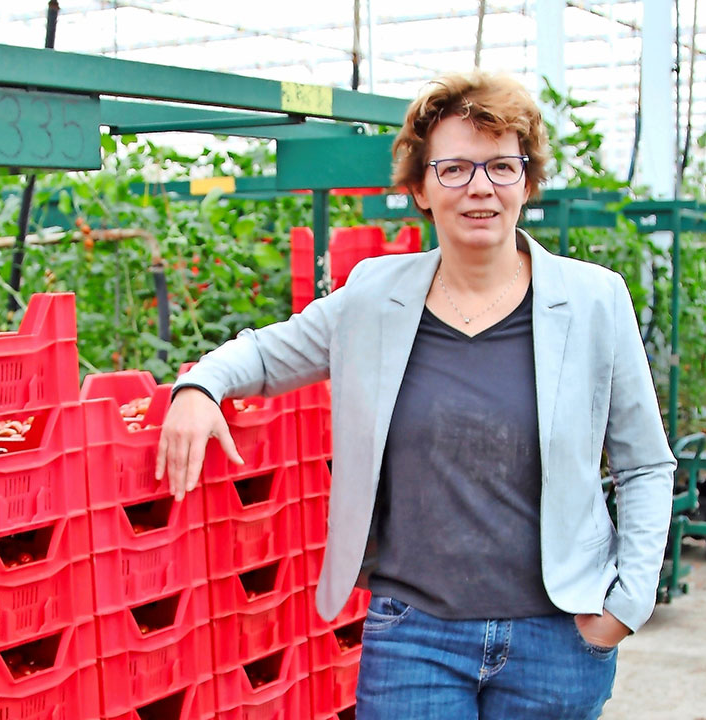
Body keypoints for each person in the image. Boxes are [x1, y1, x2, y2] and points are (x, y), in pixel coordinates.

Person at [155, 71, 675, 719]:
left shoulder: (595, 300)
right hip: (416, 632)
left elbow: (645, 463)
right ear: (420, 188)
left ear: (528, 182)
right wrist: (200, 386)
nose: (479, 187)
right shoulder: (376, 297)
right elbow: (266, 352)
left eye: (501, 167)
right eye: (453, 168)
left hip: (558, 633)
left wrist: (626, 606)